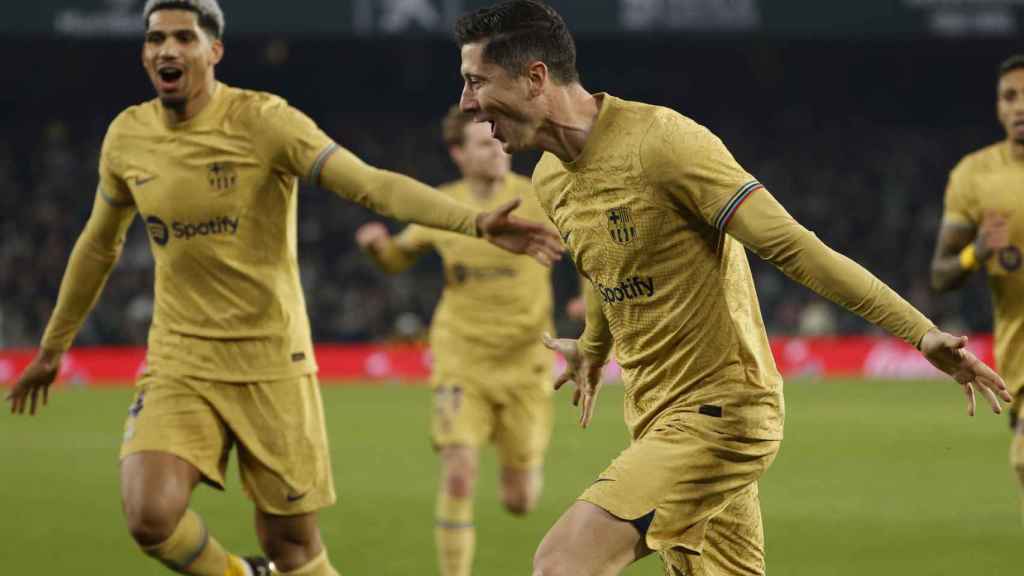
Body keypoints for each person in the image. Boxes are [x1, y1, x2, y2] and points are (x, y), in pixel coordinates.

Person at [453, 2, 1012, 575]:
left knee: (561, 565)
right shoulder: (549, 178)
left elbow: (795, 247)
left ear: (535, 77)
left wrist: (920, 333)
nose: (467, 103)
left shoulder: (662, 144)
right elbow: (604, 266)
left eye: (476, 81)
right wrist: (593, 347)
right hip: (655, 415)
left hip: (721, 414)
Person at [4, 2, 561, 576]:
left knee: (293, 549)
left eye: (183, 37)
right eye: (155, 38)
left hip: (272, 362)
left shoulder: (266, 121)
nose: (166, 49)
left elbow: (369, 185)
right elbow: (99, 245)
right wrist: (52, 348)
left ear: (213, 50)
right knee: (149, 515)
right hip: (180, 358)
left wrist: (473, 220)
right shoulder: (128, 136)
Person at [355, 105, 556, 576]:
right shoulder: (440, 206)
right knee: (459, 470)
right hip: (461, 359)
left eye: (500, 139)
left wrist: (587, 304)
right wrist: (377, 248)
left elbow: (591, 247)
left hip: (527, 363)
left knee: (520, 500)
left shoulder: (540, 197)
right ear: (459, 154)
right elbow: (396, 261)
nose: (498, 148)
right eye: (484, 143)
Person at [931, 54, 1024, 525]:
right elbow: (941, 275)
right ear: (998, 106)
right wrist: (977, 252)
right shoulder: (975, 177)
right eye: (1011, 96)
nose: (1020, 107)